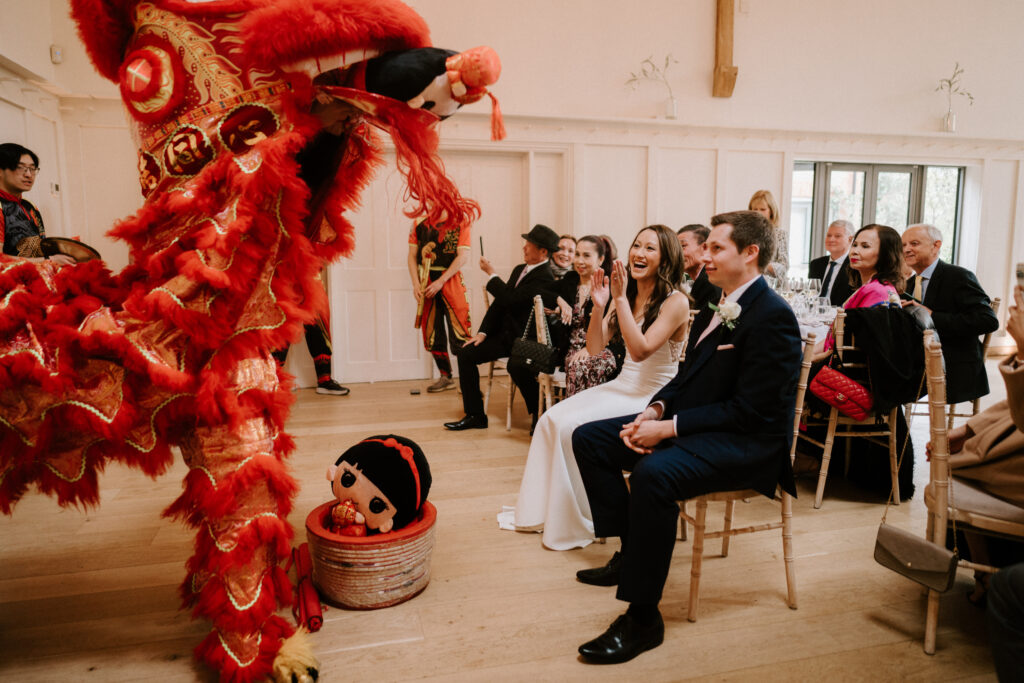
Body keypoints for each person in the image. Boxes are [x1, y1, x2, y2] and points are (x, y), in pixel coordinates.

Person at [571, 211, 800, 663]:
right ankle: (630, 553)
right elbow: (685, 377)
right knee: (590, 440)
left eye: (716, 248)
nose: (703, 256)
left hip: (746, 443)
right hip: (700, 424)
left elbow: (751, 411)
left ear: (750, 253)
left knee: (654, 474)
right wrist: (653, 411)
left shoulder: (773, 316)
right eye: (706, 247)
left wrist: (668, 429)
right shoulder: (720, 302)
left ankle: (643, 619)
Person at [511, 225, 689, 551]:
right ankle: (549, 513)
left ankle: (583, 517)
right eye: (637, 245)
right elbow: (595, 347)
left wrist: (619, 300)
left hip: (652, 397)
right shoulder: (628, 295)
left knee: (570, 428)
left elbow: (641, 351)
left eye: (650, 248)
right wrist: (599, 305)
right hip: (622, 385)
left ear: (666, 259)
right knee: (551, 419)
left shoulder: (675, 301)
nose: (639, 253)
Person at [444, 223, 560, 431]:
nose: (524, 247)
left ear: (543, 252)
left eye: (529, 244)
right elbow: (500, 304)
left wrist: (492, 274)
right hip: (504, 336)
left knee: (516, 367)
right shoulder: (519, 269)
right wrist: (482, 333)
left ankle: (539, 412)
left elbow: (511, 299)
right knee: (466, 354)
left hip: (524, 341)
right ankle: (475, 415)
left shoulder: (545, 277)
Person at [901, 223, 999, 405]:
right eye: (903, 245)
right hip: (916, 364)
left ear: (936, 245)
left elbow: (987, 321)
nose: (906, 249)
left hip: (953, 365)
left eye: (914, 243)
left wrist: (931, 315)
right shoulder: (908, 284)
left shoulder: (958, 276)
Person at [407, 219, 471, 393]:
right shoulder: (419, 222)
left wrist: (442, 281)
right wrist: (415, 283)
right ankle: (445, 376)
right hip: (427, 280)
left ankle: (468, 382)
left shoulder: (460, 221)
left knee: (460, 330)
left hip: (451, 280)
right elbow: (412, 256)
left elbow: (462, 256)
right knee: (432, 330)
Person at [555, 235, 622, 397]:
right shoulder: (570, 279)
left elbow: (611, 324)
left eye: (586, 256)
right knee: (576, 364)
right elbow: (540, 289)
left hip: (604, 345)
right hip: (572, 348)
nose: (579, 261)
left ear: (600, 259)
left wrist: (589, 348)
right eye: (577, 254)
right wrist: (560, 301)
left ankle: (586, 410)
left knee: (585, 365)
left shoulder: (608, 285)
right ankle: (578, 410)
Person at [821, 224, 905, 353]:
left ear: (885, 254)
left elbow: (855, 349)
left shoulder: (876, 291)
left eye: (865, 246)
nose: (855, 251)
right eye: (854, 245)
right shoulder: (872, 286)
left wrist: (810, 357)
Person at [0, 143, 75, 265]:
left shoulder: (30, 207)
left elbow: (40, 251)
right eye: (20, 167)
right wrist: (49, 260)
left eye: (32, 169)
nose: (29, 174)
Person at [808, 219, 855, 306]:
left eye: (837, 236)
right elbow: (811, 295)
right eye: (829, 235)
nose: (831, 239)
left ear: (850, 239)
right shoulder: (816, 264)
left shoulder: (855, 266)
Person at [677, 223, 721, 311]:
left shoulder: (708, 282)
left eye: (683, 246)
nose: (677, 253)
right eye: (676, 248)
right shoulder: (701, 280)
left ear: (704, 248)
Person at [749, 189, 787, 278]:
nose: (758, 213)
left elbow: (784, 267)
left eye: (762, 209)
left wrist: (762, 266)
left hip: (772, 284)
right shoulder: (746, 233)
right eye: (755, 209)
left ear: (771, 212)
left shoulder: (780, 234)